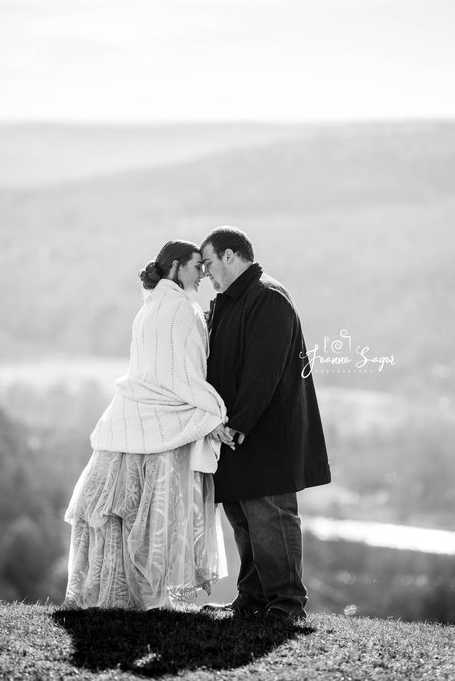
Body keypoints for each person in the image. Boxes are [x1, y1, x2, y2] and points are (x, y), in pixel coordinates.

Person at [64, 240, 232, 610]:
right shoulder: (179, 310)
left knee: (126, 515)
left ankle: (121, 597)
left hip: (130, 419)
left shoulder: (151, 306)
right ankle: (153, 597)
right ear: (175, 267)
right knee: (159, 515)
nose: (202, 273)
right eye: (195, 266)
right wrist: (216, 413)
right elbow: (182, 379)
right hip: (162, 425)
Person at [201, 226, 331, 621]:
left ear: (229, 256)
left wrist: (237, 423)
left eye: (207, 263)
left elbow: (264, 370)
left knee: (271, 517)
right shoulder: (232, 299)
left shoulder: (268, 298)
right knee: (244, 518)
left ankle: (287, 605)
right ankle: (253, 598)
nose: (206, 273)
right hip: (236, 431)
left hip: (265, 432)